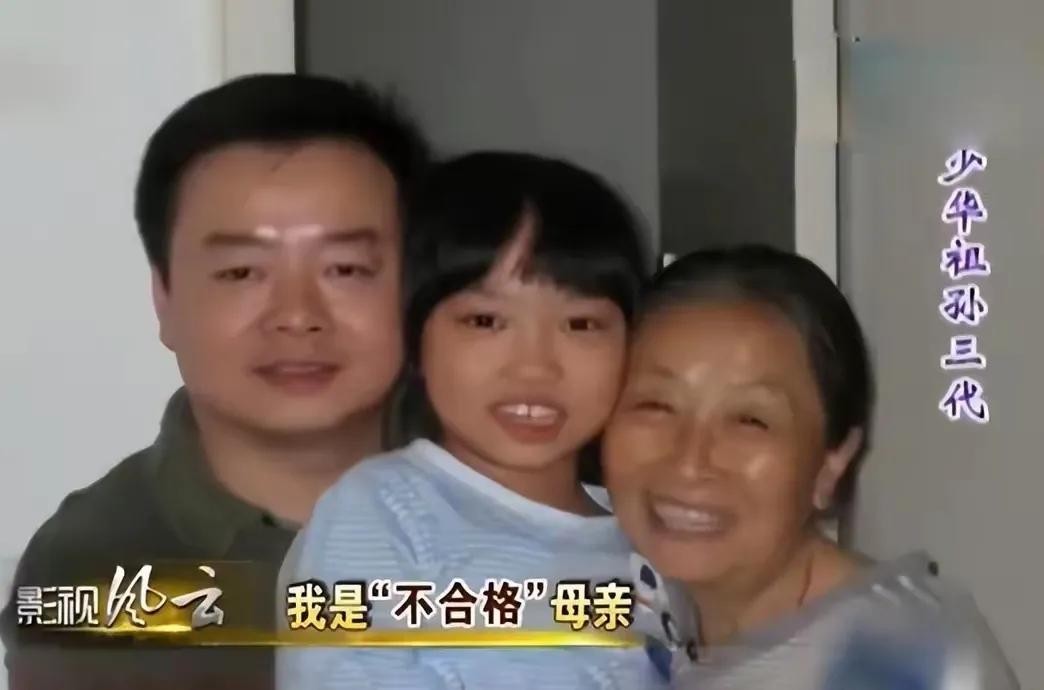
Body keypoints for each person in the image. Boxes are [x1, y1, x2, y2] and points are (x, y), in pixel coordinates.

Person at [1, 73, 430, 689]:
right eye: (241, 273)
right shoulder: (91, 572)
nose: (297, 316)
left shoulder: (535, 499)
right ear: (165, 299)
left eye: (345, 268)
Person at [276, 151, 673, 689]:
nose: (535, 367)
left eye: (581, 324)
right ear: (413, 338)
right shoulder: (382, 514)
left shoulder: (654, 535)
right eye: (486, 320)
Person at [603, 246, 1020, 689]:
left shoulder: (901, 658)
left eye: (750, 420)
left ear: (832, 461)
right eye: (655, 405)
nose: (689, 461)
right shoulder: (629, 602)